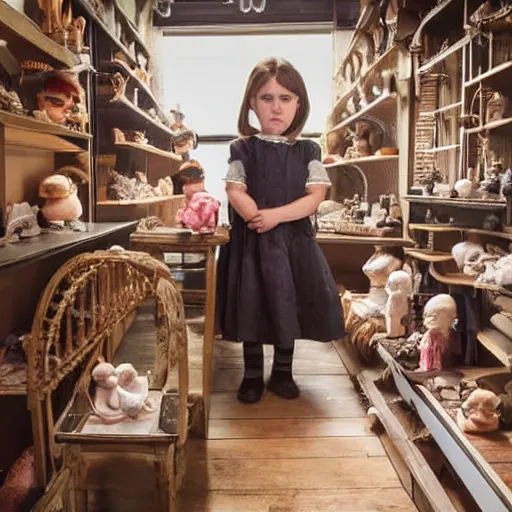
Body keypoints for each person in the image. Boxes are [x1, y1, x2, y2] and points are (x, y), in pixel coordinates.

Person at [216, 57, 345, 404]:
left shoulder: (308, 150)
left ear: (299, 104)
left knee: (288, 302)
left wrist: (275, 216)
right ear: (252, 104)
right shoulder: (242, 148)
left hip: (293, 245)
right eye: (267, 98)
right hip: (251, 245)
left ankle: (284, 372)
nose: (276, 107)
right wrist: (255, 215)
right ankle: (252, 375)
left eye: (286, 98)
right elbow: (234, 189)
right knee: (252, 304)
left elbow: (316, 196)